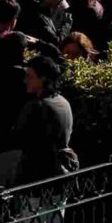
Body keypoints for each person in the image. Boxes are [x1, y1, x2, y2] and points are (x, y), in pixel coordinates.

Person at [14, 55, 75, 184]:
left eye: (30, 76)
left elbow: (20, 137)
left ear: (43, 79)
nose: (25, 81)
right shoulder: (64, 102)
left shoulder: (36, 106)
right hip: (61, 174)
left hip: (37, 178)